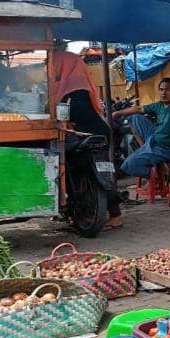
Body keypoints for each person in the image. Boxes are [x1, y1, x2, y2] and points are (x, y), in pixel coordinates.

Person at [52, 44, 122, 228]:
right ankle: (114, 215)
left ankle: (108, 214)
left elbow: (65, 120)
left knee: (78, 168)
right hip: (101, 135)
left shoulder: (68, 94)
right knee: (104, 174)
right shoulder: (79, 86)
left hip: (88, 138)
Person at [112, 77, 170, 177]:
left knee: (128, 165)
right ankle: (145, 148)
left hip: (165, 148)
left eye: (168, 90)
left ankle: (159, 174)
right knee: (135, 118)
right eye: (161, 90)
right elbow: (139, 108)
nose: (164, 93)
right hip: (153, 139)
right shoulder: (159, 105)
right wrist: (117, 113)